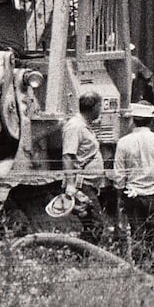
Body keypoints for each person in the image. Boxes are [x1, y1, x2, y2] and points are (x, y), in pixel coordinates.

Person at [112, 100, 154, 240]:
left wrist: (120, 195)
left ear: (133, 120)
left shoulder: (123, 142)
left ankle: (139, 260)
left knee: (137, 234)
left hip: (132, 194)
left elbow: (119, 175)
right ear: (151, 121)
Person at [61, 90, 108, 237]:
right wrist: (70, 185)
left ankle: (85, 255)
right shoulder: (76, 127)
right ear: (94, 107)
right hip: (81, 185)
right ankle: (85, 256)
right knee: (95, 225)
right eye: (100, 106)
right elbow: (68, 155)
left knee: (91, 224)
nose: (101, 110)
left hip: (89, 184)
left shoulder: (83, 125)